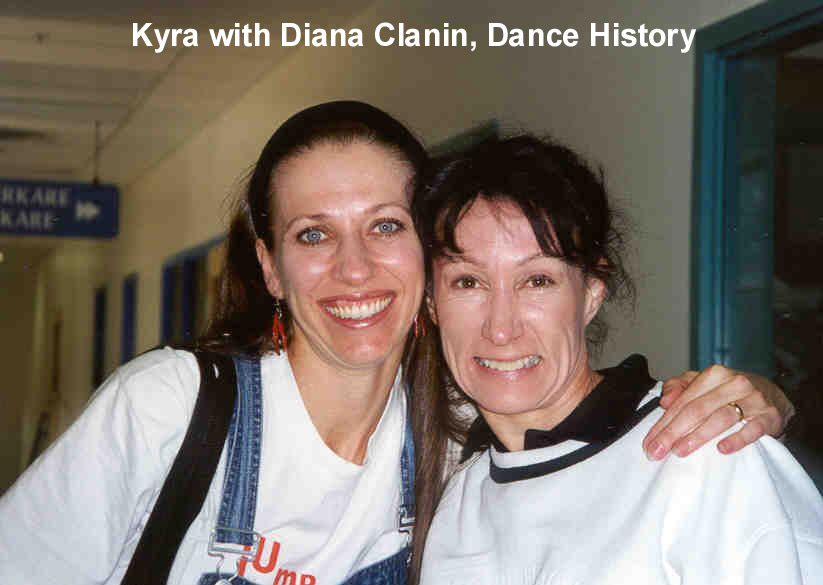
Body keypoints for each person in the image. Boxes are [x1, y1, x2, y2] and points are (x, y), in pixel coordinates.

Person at [0, 102, 795, 585]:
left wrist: (756, 402)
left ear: (425, 257)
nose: (353, 268)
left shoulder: (455, 432)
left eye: (385, 226)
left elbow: (581, 425)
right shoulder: (172, 407)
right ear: (270, 267)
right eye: (314, 234)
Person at [414, 134, 823, 584]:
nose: (500, 328)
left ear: (591, 293)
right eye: (468, 282)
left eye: (537, 281)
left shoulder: (704, 452)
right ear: (432, 303)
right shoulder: (459, 503)